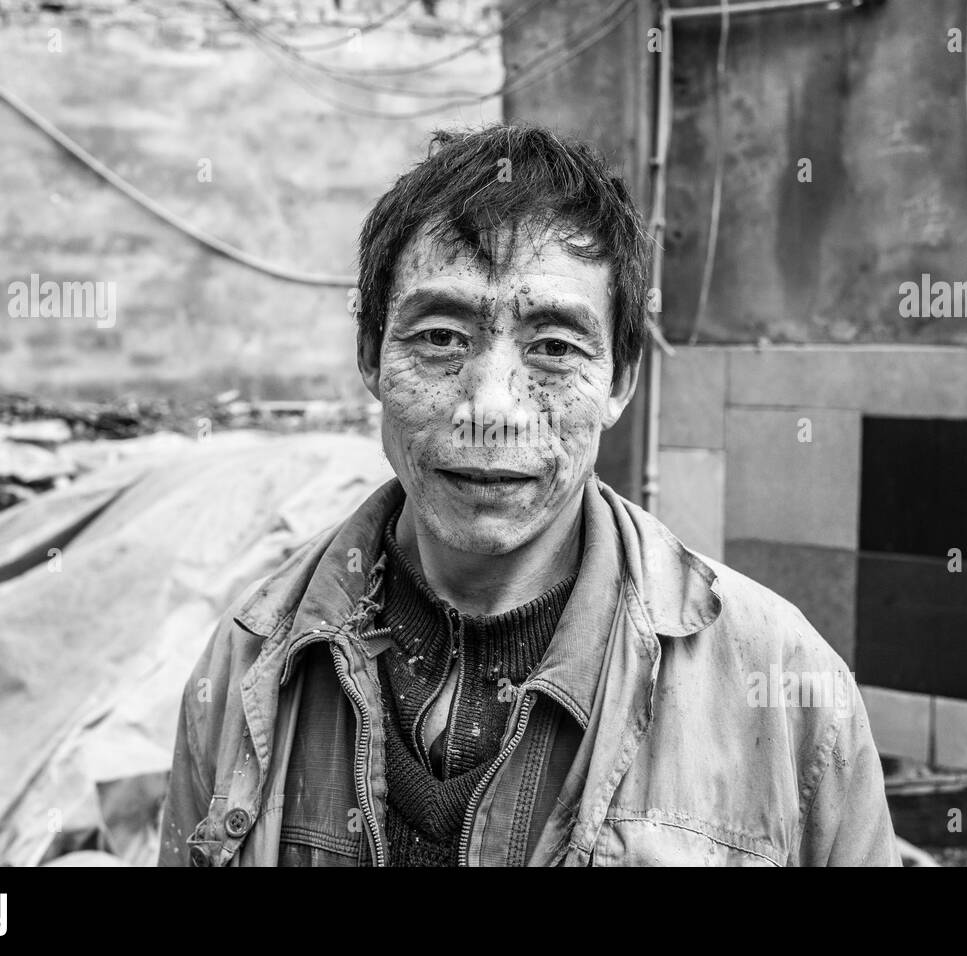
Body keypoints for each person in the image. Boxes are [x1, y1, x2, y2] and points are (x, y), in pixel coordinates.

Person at [158, 124, 901, 867]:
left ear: (619, 381)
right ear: (369, 357)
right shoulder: (246, 667)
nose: (491, 407)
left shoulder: (787, 690)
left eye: (554, 347)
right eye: (442, 337)